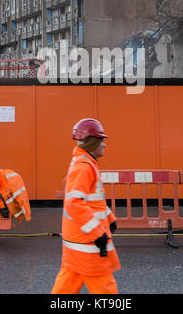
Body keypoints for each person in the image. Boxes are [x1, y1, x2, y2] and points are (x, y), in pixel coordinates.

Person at [51, 118, 120, 294]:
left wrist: (110, 218)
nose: (104, 145)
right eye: (101, 141)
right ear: (92, 143)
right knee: (104, 286)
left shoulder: (86, 164)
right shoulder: (84, 166)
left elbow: (93, 202)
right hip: (88, 243)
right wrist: (98, 234)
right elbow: (75, 203)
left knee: (67, 283)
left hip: (77, 241)